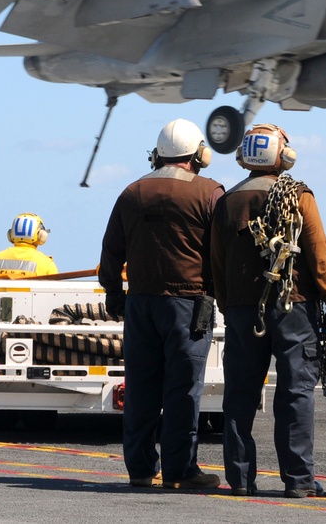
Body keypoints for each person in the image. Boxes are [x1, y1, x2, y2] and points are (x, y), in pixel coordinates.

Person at [211, 123, 326, 498]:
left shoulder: (227, 201)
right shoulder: (299, 194)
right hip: (293, 306)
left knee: (239, 394)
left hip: (240, 310)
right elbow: (318, 252)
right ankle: (299, 481)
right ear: (282, 155)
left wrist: (228, 303)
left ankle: (239, 480)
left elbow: (216, 262)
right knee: (296, 393)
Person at [99, 118, 223, 490]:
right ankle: (180, 471)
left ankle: (140, 469)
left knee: (141, 389)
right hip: (188, 305)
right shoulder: (210, 193)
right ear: (200, 154)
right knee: (183, 390)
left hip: (139, 305)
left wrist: (114, 294)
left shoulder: (132, 192)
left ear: (157, 154)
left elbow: (110, 252)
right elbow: (222, 254)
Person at [0, 213, 57, 305]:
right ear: (41, 235)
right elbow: (55, 297)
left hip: (0, 316)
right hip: (34, 318)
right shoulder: (46, 264)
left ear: (11, 234)